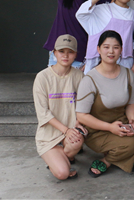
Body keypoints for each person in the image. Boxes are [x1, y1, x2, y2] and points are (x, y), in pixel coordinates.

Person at [76, 31, 134, 177]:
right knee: (130, 143)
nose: (111, 51)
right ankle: (108, 160)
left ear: (121, 50)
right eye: (106, 47)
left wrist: (132, 121)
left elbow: (131, 103)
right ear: (98, 49)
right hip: (98, 129)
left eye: (116, 47)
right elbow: (81, 116)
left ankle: (127, 154)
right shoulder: (89, 80)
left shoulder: (127, 73)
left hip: (122, 120)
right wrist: (109, 127)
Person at [33, 34, 85, 180]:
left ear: (76, 54)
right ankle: (58, 159)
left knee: (77, 141)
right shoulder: (42, 77)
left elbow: (82, 106)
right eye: (61, 51)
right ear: (54, 53)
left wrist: (78, 123)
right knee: (62, 174)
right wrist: (66, 130)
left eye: (70, 52)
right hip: (49, 135)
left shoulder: (79, 76)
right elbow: (43, 113)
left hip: (71, 131)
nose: (65, 56)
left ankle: (64, 157)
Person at [76, 0, 134, 73]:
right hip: (99, 60)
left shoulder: (133, 14)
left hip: (124, 60)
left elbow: (133, 39)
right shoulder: (104, 9)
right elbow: (81, 14)